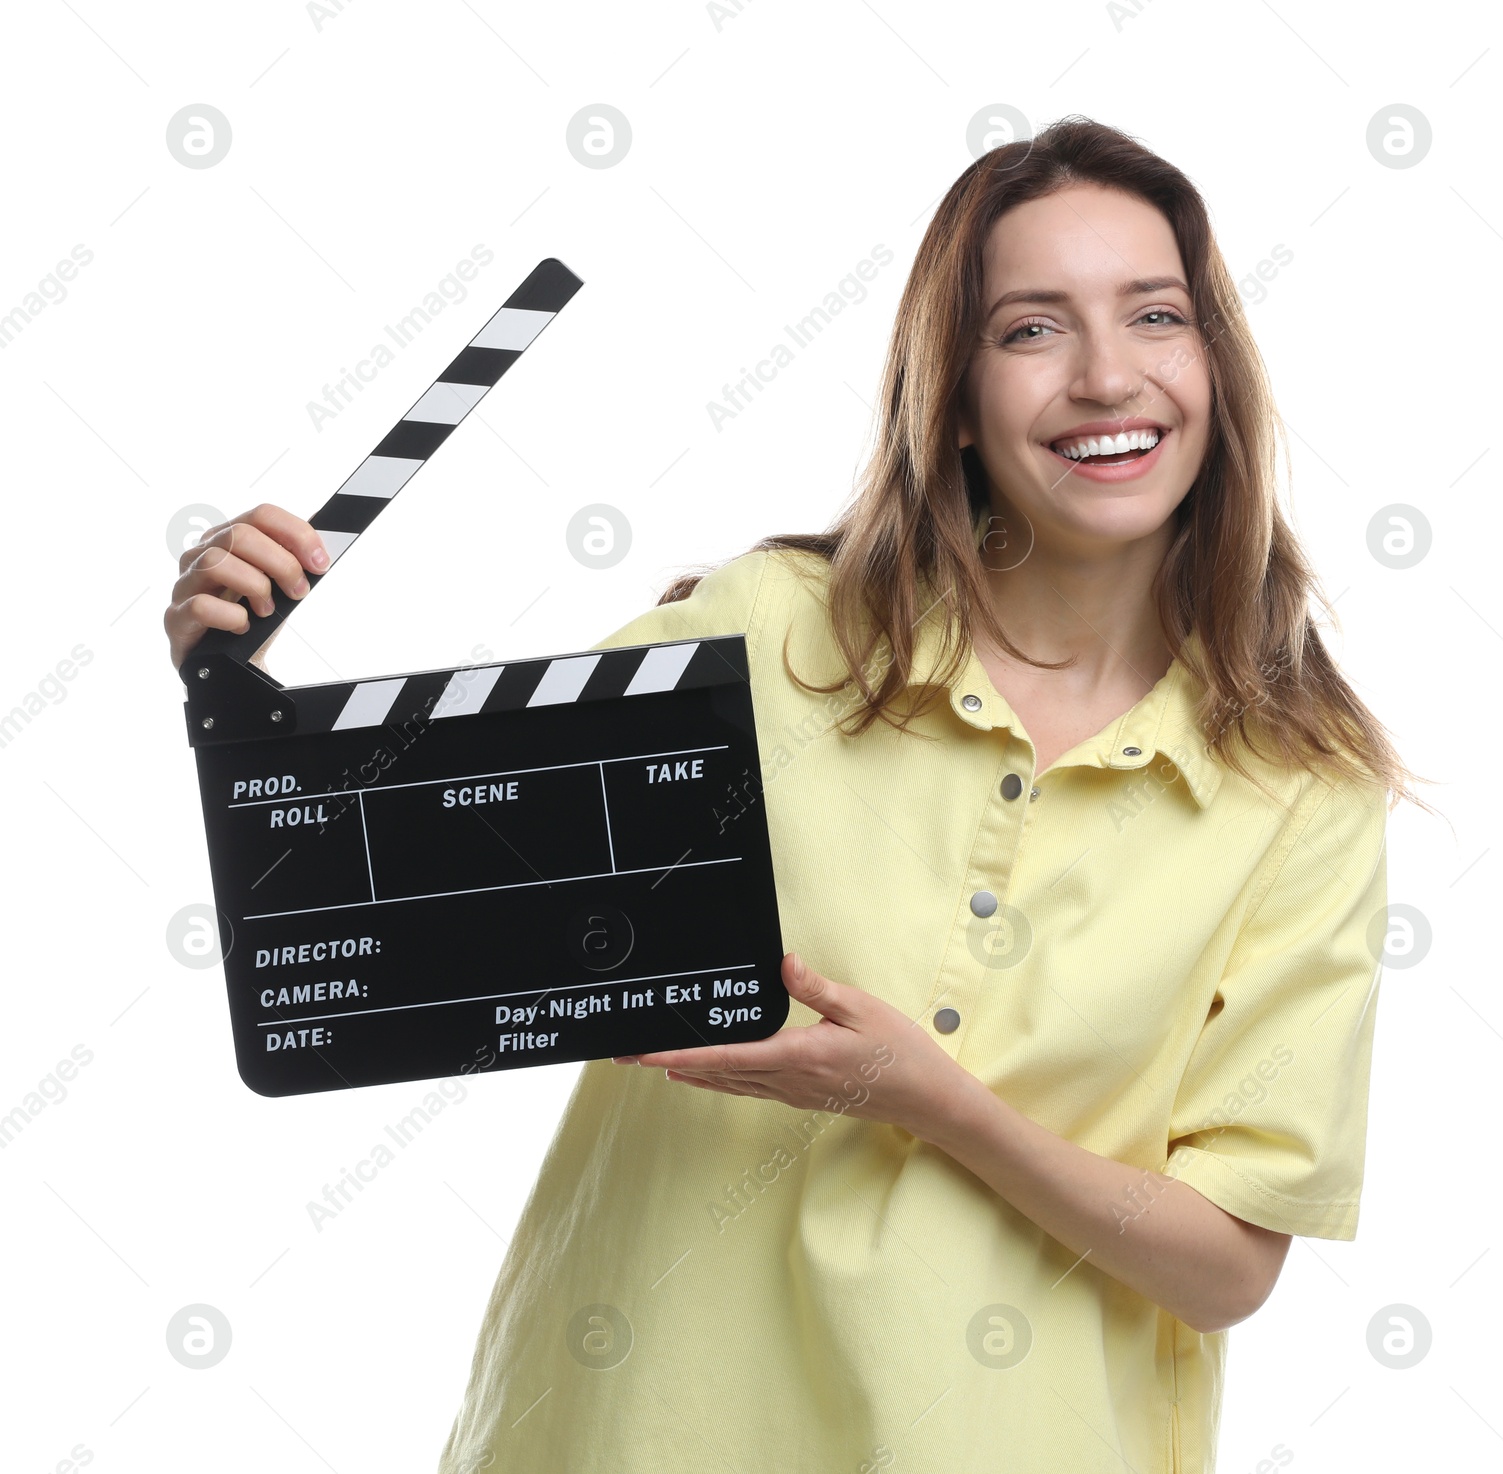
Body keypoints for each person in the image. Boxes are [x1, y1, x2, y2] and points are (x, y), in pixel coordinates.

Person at [164, 115, 1432, 1474]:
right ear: (950, 393)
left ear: (1217, 371)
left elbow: (1228, 1263)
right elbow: (404, 900)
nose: (1106, 374)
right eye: (1030, 329)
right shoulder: (769, 634)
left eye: (1156, 315)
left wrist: (929, 1097)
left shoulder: (1299, 785)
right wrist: (239, 698)